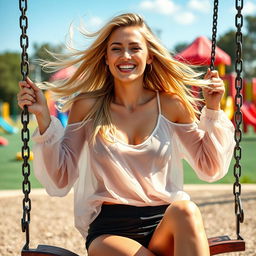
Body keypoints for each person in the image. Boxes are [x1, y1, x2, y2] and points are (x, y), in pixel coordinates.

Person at [17, 13, 235, 256]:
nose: (126, 56)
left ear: (149, 56)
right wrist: (43, 119)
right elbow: (60, 176)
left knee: (187, 210)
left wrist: (213, 109)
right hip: (111, 230)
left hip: (165, 224)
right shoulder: (87, 106)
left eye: (134, 48)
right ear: (106, 58)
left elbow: (210, 167)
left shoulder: (171, 105)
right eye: (116, 49)